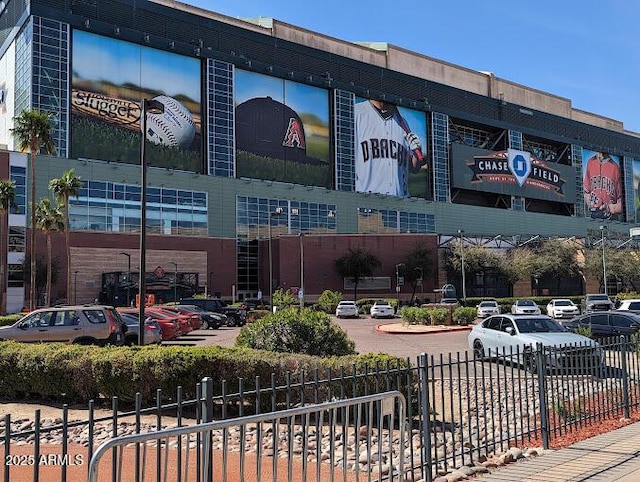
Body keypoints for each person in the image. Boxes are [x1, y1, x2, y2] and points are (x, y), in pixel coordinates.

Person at [355, 99, 426, 197]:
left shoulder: (402, 122)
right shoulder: (356, 113)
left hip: (400, 204)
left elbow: (414, 168)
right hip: (366, 202)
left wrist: (417, 151)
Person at [583, 151, 622, 220]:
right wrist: (590, 202)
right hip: (594, 215)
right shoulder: (590, 162)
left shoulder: (615, 167)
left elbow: (622, 202)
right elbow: (586, 191)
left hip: (610, 217)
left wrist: (612, 208)